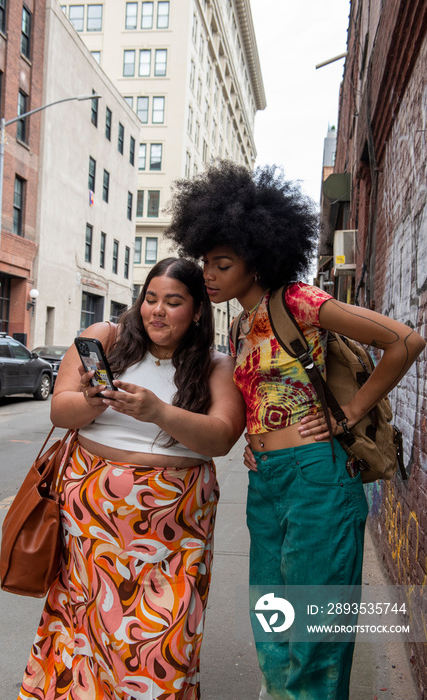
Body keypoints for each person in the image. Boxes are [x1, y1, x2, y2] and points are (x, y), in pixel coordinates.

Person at [164, 160, 426, 700]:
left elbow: (404, 341)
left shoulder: (298, 302)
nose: (208, 274)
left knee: (315, 628)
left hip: (318, 477)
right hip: (266, 482)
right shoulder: (238, 324)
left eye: (221, 263)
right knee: (274, 615)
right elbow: (256, 400)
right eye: (205, 262)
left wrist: (349, 413)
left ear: (255, 260)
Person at [18, 257, 245, 700]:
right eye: (151, 299)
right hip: (90, 527)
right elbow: (60, 410)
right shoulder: (106, 338)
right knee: (86, 629)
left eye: (173, 302)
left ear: (198, 311)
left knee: (165, 636)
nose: (157, 310)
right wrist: (93, 400)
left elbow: (221, 437)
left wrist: (158, 411)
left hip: (174, 535)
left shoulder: (217, 364)